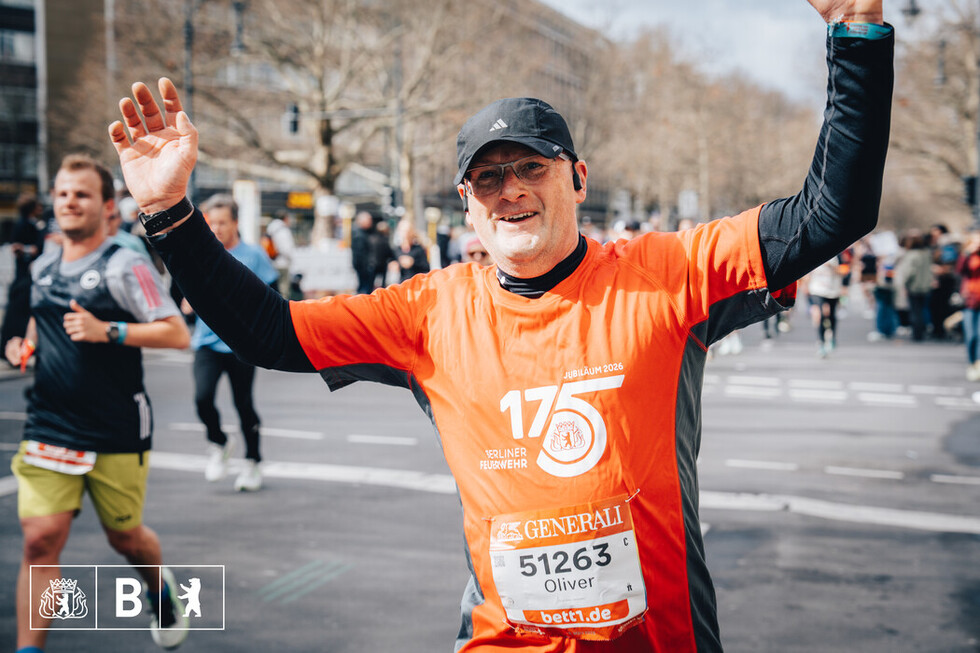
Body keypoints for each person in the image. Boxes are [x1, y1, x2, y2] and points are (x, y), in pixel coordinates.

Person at [109, 2, 892, 649]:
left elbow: (832, 213)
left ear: (577, 178)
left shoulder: (665, 270)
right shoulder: (427, 312)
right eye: (487, 177)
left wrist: (855, 32)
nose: (509, 190)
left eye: (531, 167)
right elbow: (268, 331)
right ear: (467, 203)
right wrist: (169, 212)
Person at [4, 154, 191, 652]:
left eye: (82, 194)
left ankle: (160, 589)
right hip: (49, 424)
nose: (70, 202)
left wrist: (107, 331)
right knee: (39, 542)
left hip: (115, 426)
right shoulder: (42, 265)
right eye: (63, 194)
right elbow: (39, 321)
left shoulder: (124, 264)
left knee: (125, 539)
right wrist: (24, 345)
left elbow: (176, 333)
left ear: (107, 206)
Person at [185, 193, 278, 491]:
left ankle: (253, 461)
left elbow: (273, 296)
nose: (216, 229)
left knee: (243, 404)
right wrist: (187, 302)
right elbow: (185, 288)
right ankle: (219, 442)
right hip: (206, 342)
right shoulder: (200, 253)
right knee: (202, 398)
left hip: (242, 345)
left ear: (236, 223)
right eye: (211, 223)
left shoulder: (253, 255)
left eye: (223, 223)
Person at [1, 194, 47, 357]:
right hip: (25, 277)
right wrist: (29, 250)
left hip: (24, 276)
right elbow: (20, 248)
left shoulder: (30, 224)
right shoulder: (27, 225)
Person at [805, 256, 845, 357]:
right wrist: (805, 285)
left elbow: (844, 271)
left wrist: (832, 267)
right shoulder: (813, 254)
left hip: (833, 290)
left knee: (831, 315)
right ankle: (821, 342)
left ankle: (832, 338)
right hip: (817, 289)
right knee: (821, 315)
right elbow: (806, 271)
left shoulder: (838, 255)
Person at [957, 225, 980, 381]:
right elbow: (960, 270)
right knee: (971, 335)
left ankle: (978, 364)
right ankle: (971, 363)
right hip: (969, 300)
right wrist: (967, 253)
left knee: (979, 335)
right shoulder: (967, 256)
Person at [389, 217, 430, 282]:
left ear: (411, 232)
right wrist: (394, 265)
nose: (405, 234)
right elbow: (390, 263)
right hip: (401, 284)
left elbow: (426, 268)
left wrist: (413, 263)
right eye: (402, 231)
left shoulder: (418, 249)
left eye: (407, 231)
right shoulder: (396, 250)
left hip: (416, 284)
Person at [265, 210, 296, 295]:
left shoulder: (270, 229)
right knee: (283, 289)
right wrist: (292, 259)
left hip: (271, 262)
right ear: (285, 218)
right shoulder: (283, 230)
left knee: (274, 289)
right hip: (283, 263)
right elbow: (287, 249)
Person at [351, 211, 377, 294]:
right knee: (364, 289)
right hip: (364, 267)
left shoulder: (364, 233)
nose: (371, 222)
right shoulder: (359, 234)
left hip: (364, 266)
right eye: (368, 219)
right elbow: (360, 253)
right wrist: (368, 266)